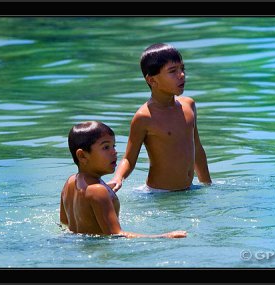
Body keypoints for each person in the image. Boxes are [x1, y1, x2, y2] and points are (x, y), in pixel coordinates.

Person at [108, 43, 212, 192]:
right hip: (159, 194)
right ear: (152, 80)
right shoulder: (144, 117)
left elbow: (198, 149)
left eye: (182, 69)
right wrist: (118, 177)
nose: (181, 75)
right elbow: (129, 159)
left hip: (189, 189)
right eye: (172, 71)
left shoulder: (189, 105)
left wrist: (207, 186)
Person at [60, 121, 187, 238]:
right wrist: (163, 236)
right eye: (106, 147)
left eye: (113, 146)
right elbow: (117, 235)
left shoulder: (70, 182)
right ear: (82, 156)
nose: (114, 152)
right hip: (100, 252)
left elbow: (64, 225)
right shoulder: (98, 191)